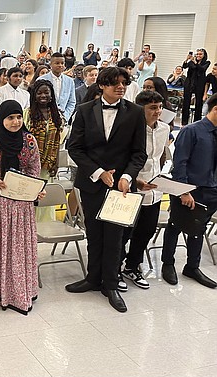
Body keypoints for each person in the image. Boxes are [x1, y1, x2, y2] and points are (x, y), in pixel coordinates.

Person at [65, 67, 147, 313]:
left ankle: (110, 284)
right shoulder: (84, 111)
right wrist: (99, 173)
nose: (120, 87)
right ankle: (92, 278)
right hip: (93, 182)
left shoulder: (135, 112)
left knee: (115, 236)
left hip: (120, 186)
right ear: (102, 85)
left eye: (124, 83)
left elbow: (138, 152)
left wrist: (126, 176)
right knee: (94, 232)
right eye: (115, 83)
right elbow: (75, 148)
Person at [0, 99, 44, 314]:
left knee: (19, 245)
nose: (15, 122)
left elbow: (34, 168)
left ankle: (22, 288)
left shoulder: (29, 140)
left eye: (18, 117)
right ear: (1, 119)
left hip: (21, 203)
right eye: (10, 118)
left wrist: (34, 188)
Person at [160, 94, 217, 289]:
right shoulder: (192, 131)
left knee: (199, 228)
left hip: (213, 189)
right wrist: (183, 191)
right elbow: (180, 163)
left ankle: (192, 266)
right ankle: (168, 263)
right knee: (176, 224)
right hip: (190, 189)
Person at [117, 90, 170, 291]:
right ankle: (115, 268)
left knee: (146, 231)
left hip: (155, 189)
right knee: (125, 232)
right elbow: (122, 159)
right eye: (153, 108)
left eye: (160, 107)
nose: (158, 112)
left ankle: (132, 266)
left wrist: (164, 174)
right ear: (141, 109)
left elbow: (162, 157)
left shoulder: (164, 129)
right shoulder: (130, 129)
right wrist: (135, 180)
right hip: (132, 187)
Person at [24, 79, 65, 222]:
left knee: (45, 201)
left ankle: (46, 227)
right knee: (31, 199)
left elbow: (58, 141)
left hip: (48, 165)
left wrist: (57, 163)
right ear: (34, 95)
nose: (43, 95)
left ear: (51, 95)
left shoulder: (56, 115)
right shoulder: (27, 114)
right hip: (30, 166)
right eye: (39, 93)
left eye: (46, 92)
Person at [39, 53, 76, 120]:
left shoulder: (70, 81)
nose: (60, 65)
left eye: (62, 63)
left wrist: (65, 117)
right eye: (57, 63)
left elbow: (72, 102)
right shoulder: (41, 79)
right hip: (44, 118)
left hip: (63, 118)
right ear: (50, 64)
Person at [182, 48, 211, 125]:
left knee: (199, 103)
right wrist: (187, 59)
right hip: (189, 83)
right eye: (197, 54)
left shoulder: (207, 62)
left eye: (200, 54)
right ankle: (184, 121)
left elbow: (202, 69)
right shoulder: (192, 61)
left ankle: (197, 121)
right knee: (186, 102)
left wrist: (195, 62)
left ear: (204, 55)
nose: (198, 55)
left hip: (199, 83)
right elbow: (184, 66)